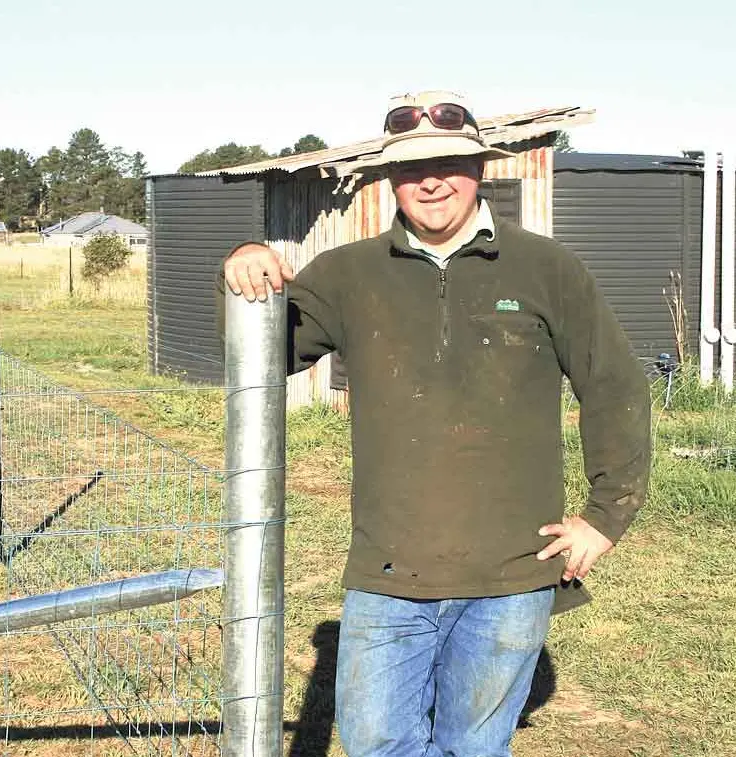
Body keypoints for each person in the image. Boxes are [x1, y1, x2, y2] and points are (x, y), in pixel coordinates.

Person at [221, 91, 652, 757]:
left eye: (450, 162)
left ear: (479, 167)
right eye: (410, 167)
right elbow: (262, 356)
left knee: (473, 748)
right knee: (373, 740)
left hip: (512, 572)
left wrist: (605, 514)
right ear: (387, 177)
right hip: (388, 571)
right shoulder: (347, 273)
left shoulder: (546, 268)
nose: (430, 180)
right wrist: (247, 267)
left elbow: (613, 384)